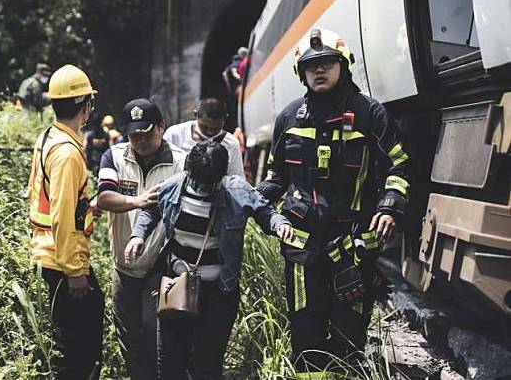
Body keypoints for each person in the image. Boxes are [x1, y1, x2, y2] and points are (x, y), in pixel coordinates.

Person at [257, 28, 411, 375]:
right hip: (301, 251)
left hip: (352, 251)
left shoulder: (370, 113)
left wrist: (389, 205)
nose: (319, 70)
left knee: (348, 338)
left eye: (327, 62)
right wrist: (255, 206)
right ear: (301, 73)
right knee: (306, 337)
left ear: (344, 65)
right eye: (311, 66)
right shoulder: (288, 119)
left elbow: (399, 164)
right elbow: (276, 179)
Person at [125, 141, 293, 380]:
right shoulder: (174, 187)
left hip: (218, 293)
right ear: (189, 171)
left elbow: (265, 212)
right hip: (177, 285)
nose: (203, 187)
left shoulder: (236, 190)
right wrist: (138, 236)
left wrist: (281, 224)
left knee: (207, 364)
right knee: (171, 361)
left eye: (209, 183)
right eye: (198, 181)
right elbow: (151, 210)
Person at [96, 99, 186, 380]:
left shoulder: (181, 163)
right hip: (123, 267)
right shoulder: (114, 156)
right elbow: (104, 197)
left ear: (162, 127)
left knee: (154, 335)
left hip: (160, 268)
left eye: (148, 133)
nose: (142, 141)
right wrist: (137, 201)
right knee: (129, 338)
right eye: (135, 135)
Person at [28, 64, 104, 380]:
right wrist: (75, 272)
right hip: (62, 261)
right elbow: (60, 213)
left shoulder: (48, 136)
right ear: (86, 108)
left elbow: (56, 201)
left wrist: (89, 206)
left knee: (70, 344)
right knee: (80, 352)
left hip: (49, 253)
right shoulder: (68, 153)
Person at [164, 98, 244, 177]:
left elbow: (236, 179)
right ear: (196, 115)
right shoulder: (174, 135)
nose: (210, 132)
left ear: (225, 119)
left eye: (216, 128)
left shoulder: (232, 144)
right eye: (205, 127)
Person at [221, 47, 248, 131]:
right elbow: (234, 72)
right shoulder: (237, 61)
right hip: (237, 89)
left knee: (235, 108)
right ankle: (238, 127)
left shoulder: (237, 60)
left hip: (234, 90)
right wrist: (241, 79)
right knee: (237, 107)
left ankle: (237, 126)